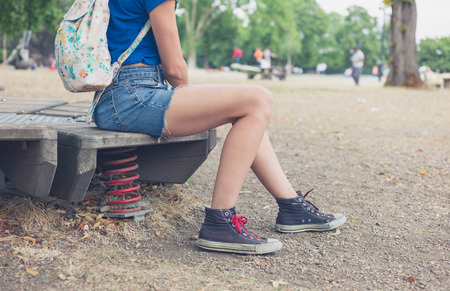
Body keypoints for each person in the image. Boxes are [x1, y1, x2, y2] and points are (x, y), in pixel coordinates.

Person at [93, 0, 346, 255]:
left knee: (249, 109)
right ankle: (220, 222)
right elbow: (174, 68)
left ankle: (291, 206)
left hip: (117, 96)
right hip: (133, 96)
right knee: (259, 100)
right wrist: (194, 102)